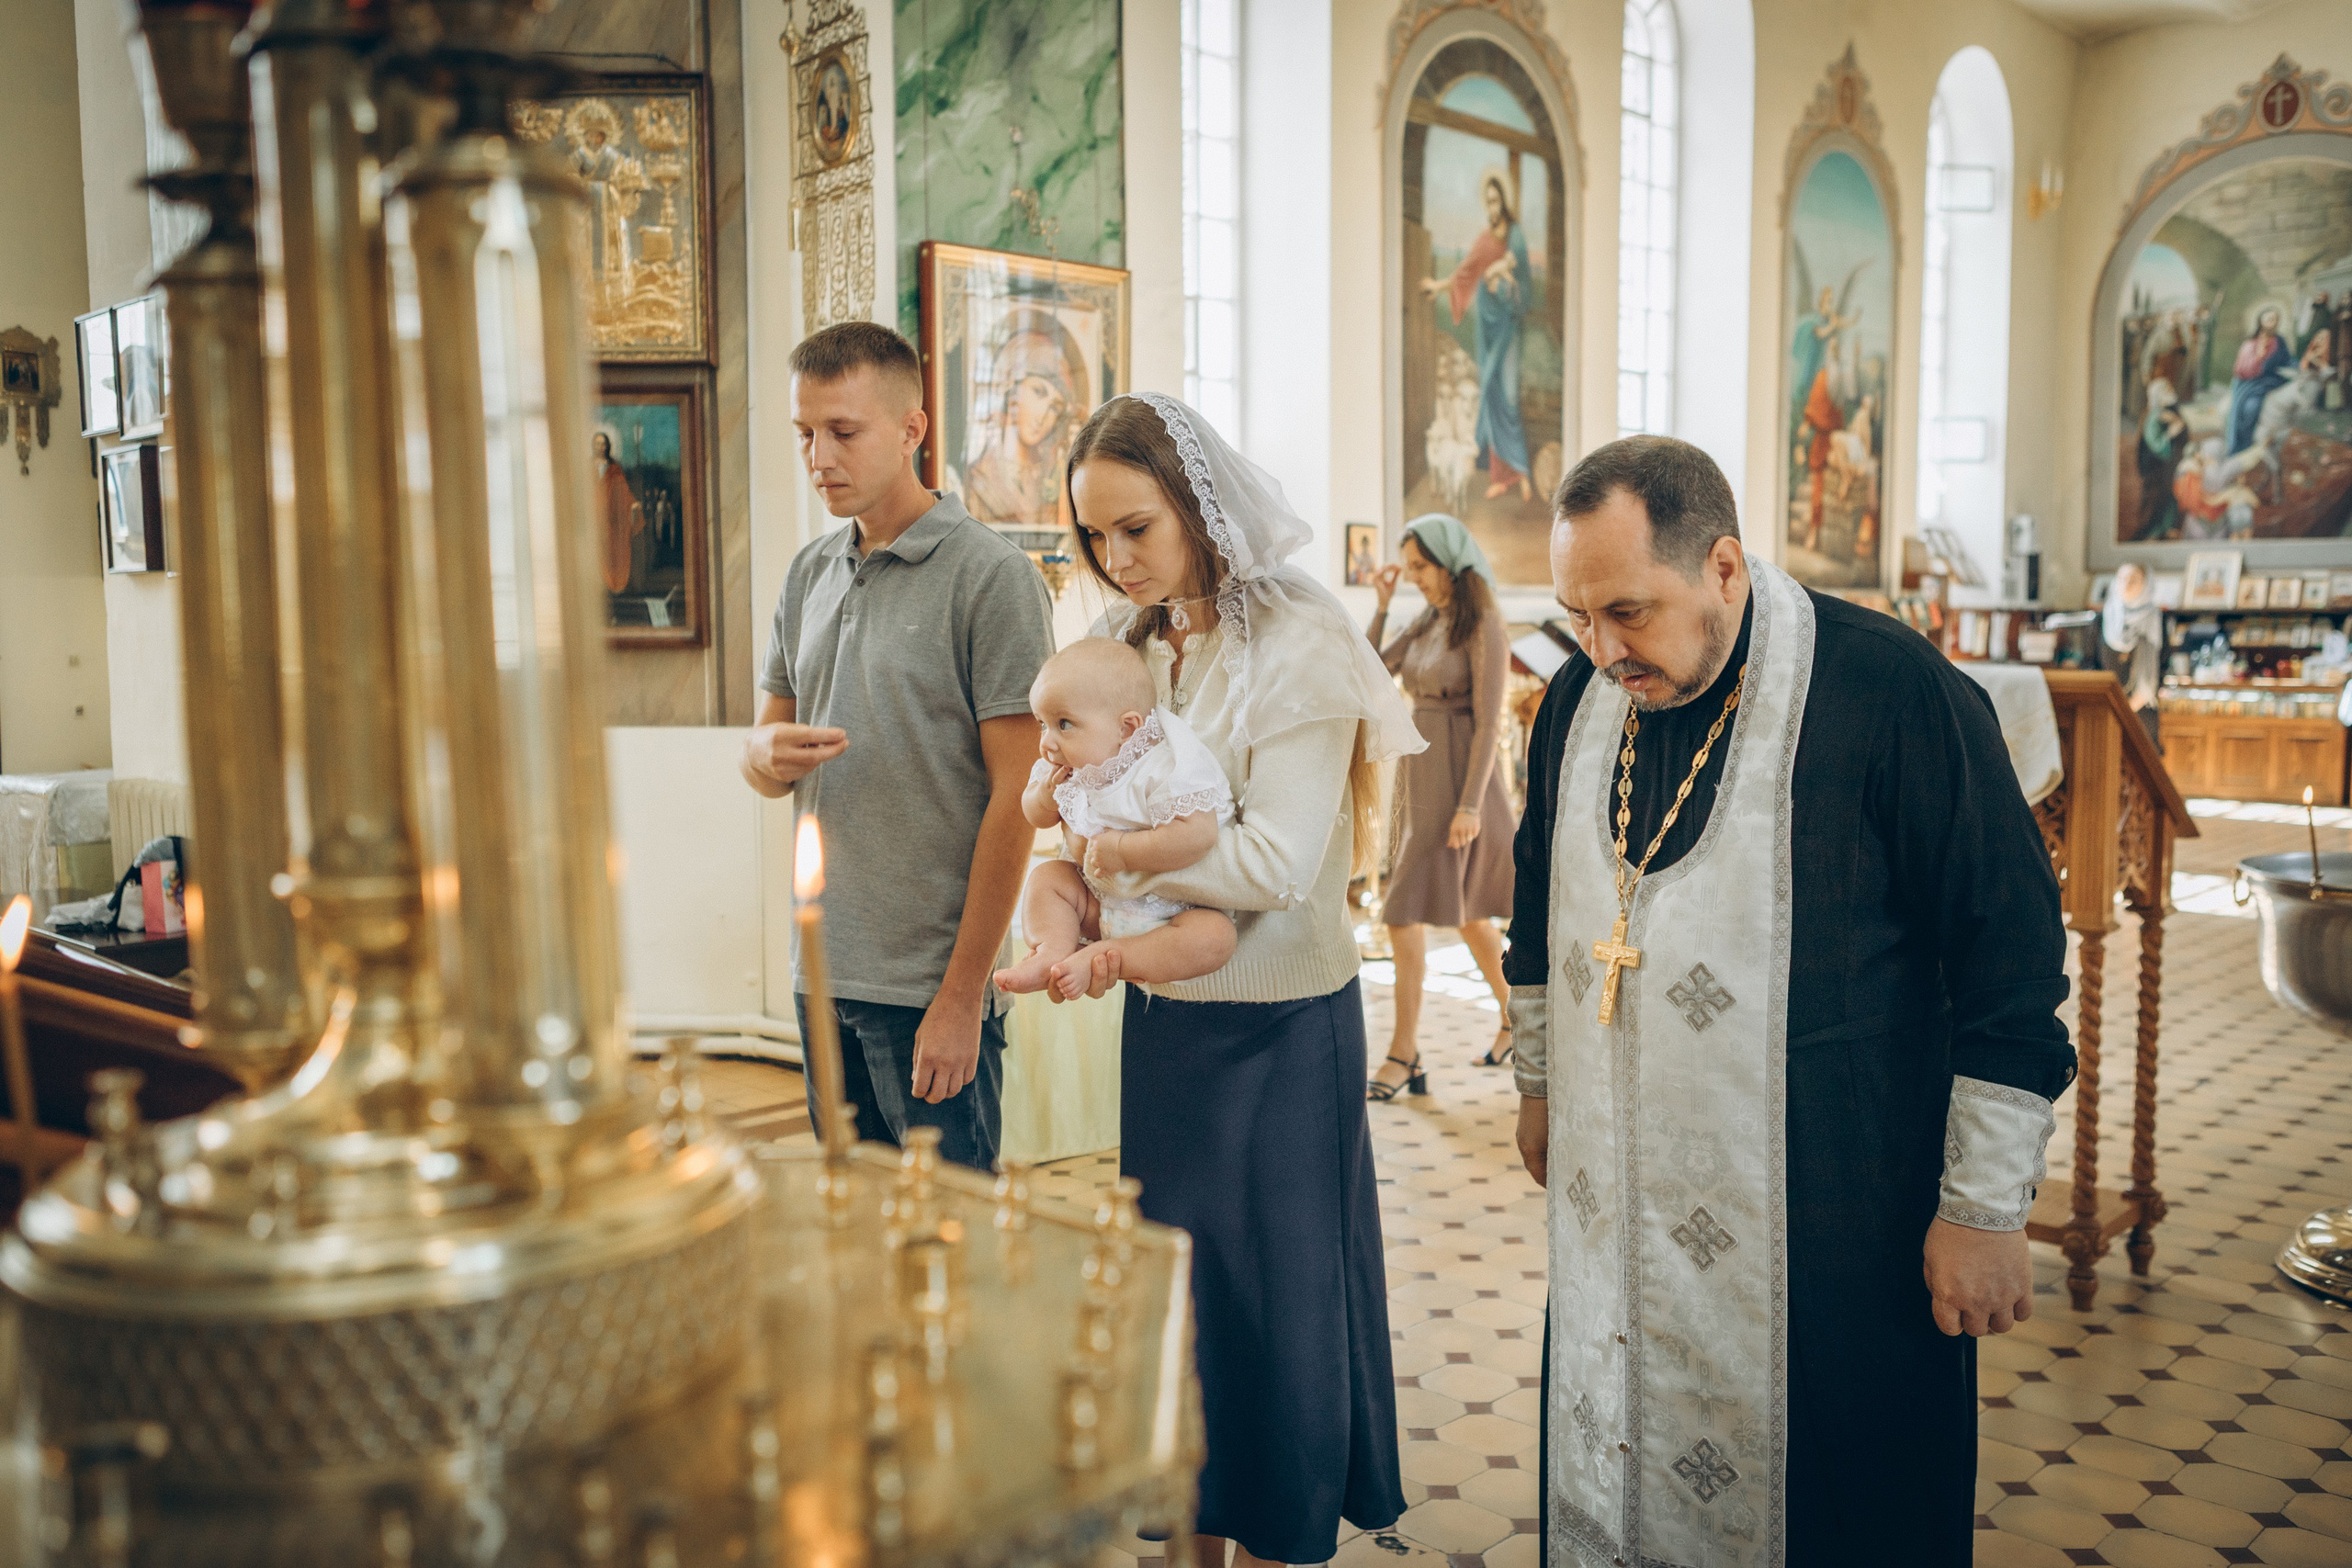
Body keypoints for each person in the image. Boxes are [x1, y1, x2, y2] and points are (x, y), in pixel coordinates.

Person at [1505, 435, 2074, 1568]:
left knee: (1837, 1509)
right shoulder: (1580, 697)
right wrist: (1535, 1081)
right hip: (1616, 1214)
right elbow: (1539, 904)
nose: (1601, 649)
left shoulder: (1889, 690)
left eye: (1629, 611)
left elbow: (2008, 953)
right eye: (1578, 616)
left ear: (1722, 568)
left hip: (1835, 1221)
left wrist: (1985, 1209)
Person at [1054, 392, 1423, 1568]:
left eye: (1136, 529)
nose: (1116, 561)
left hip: (1278, 1033)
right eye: (1093, 537)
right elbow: (1079, 787)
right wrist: (1066, 872)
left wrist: (1106, 861)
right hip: (1168, 1031)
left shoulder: (1302, 637)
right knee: (1180, 1317)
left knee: (1273, 1323)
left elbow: (1274, 857)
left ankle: (1279, 1538)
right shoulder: (1135, 641)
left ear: (1200, 510)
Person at [741, 321, 1053, 1171]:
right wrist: (763, 755)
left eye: (843, 432)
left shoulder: (992, 579)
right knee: (855, 1237)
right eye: (805, 434)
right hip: (824, 973)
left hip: (928, 987)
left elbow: (1017, 803)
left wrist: (961, 997)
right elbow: (763, 750)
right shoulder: (808, 572)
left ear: (913, 429)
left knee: (954, 1250)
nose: (819, 457)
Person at [1363, 513, 1516, 1098]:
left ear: (1450, 561)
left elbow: (1488, 724)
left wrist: (1471, 807)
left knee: (1402, 910)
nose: (1414, 577)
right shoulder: (1428, 620)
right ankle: (1515, 1019)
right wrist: (1381, 605)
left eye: (1420, 566)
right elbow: (1374, 671)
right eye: (1409, 568)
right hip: (1420, 772)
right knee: (1469, 914)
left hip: (1460, 782)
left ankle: (1405, 1053)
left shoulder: (1486, 627)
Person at [993, 637, 1238, 999]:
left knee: (1216, 937)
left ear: (1126, 729)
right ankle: (1052, 949)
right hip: (1098, 905)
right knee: (1048, 878)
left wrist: (1124, 851)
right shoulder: (1063, 767)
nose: (1047, 742)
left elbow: (1197, 834)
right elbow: (1034, 814)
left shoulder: (1164, 765)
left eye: (1064, 724)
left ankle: (1108, 957)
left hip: (1171, 915)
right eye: (1042, 724)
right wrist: (1045, 797)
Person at [1421, 173, 1533, 502]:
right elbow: (1466, 271)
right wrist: (1438, 287)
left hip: (1508, 326)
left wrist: (1507, 279)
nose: (1492, 207)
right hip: (1488, 324)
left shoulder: (1516, 237)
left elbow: (1524, 284)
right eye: (1488, 202)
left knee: (1509, 396)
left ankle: (1522, 472)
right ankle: (1501, 475)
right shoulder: (1486, 239)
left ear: (1505, 202)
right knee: (1491, 390)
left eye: (1496, 200)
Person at [962, 322, 1082, 528]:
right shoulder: (977, 478)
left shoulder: (1054, 483)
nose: (1043, 416)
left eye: (1055, 407)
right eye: (1038, 391)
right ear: (1012, 386)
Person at [2102, 561, 2163, 748]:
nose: (2126, 584)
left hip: (2142, 711)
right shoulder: (2101, 620)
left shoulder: (2155, 618)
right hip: (2106, 709)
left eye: (2134, 580)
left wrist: (2136, 701)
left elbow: (2164, 664)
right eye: (2122, 579)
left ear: (2146, 584)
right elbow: (2091, 664)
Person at [2226, 306, 2292, 456]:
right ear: (2261, 322)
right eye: (2269, 320)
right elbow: (2242, 370)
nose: (2273, 323)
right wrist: (2259, 362)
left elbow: (2288, 359)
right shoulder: (2250, 344)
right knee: (2251, 408)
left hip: (2272, 381)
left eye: (2276, 320)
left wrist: (2301, 366)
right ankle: (2245, 444)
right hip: (2250, 384)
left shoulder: (2279, 341)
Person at [593, 429, 644, 594]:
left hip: (611, 522)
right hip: (593, 521)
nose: (601, 447)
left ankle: (612, 586)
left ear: (608, 446)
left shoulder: (614, 469)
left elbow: (623, 492)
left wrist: (632, 505)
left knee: (611, 554)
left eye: (603, 444)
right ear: (593, 446)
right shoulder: (587, 468)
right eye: (598, 444)